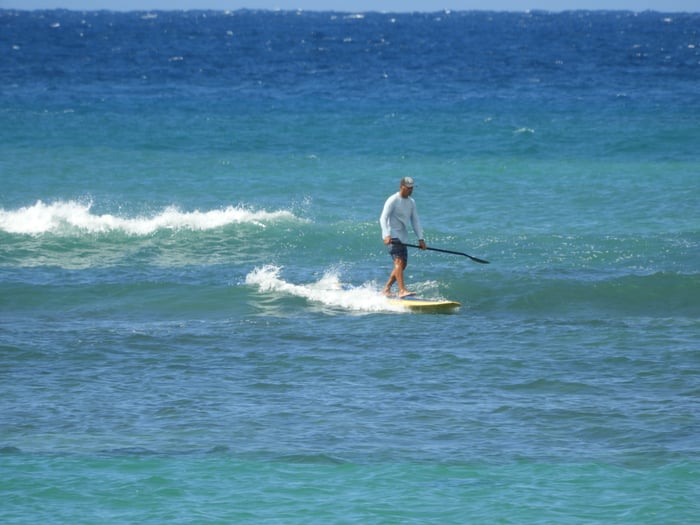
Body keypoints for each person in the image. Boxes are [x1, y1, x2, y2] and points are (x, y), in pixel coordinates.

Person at [379, 176, 426, 297]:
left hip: (403, 237)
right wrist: (386, 235)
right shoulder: (393, 200)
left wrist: (420, 238)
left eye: (412, 188)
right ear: (401, 187)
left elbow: (415, 221)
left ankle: (386, 288)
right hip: (393, 237)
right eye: (408, 188)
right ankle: (402, 290)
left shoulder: (411, 202)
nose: (410, 190)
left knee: (402, 265)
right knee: (399, 262)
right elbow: (383, 218)